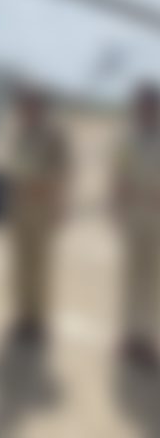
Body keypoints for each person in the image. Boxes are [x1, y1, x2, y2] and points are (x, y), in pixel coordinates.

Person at [5, 87, 68, 343]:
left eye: (31, 104)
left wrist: (55, 201)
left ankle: (39, 320)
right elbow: (9, 166)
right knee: (20, 265)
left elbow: (62, 171)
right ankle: (22, 316)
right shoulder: (17, 132)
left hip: (42, 206)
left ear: (41, 107)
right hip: (19, 207)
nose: (26, 109)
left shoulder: (53, 135)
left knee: (41, 267)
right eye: (23, 105)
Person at [113, 83, 160, 368]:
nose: (144, 111)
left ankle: (147, 339)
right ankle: (130, 336)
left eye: (149, 106)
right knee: (131, 278)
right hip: (133, 215)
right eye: (141, 106)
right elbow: (119, 175)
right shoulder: (128, 140)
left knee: (153, 280)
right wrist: (118, 206)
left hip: (157, 217)